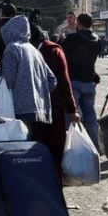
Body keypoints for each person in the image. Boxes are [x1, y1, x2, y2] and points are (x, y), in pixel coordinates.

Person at [30, 24, 80, 181]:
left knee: (47, 150)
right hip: (50, 110)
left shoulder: (51, 51)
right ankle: (53, 186)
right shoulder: (54, 51)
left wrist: (72, 110)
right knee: (52, 151)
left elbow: (64, 83)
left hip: (44, 111)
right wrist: (72, 111)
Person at [0, 16, 57, 124]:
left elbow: (7, 82)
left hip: (19, 110)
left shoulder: (12, 48)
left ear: (10, 32)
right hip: (40, 110)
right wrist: (36, 92)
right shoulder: (35, 50)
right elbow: (52, 80)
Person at [62, 13, 101, 150]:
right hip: (89, 81)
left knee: (70, 114)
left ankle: (67, 145)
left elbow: (62, 56)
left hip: (74, 80)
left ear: (78, 23)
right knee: (90, 115)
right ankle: (95, 145)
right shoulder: (98, 40)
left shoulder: (72, 38)